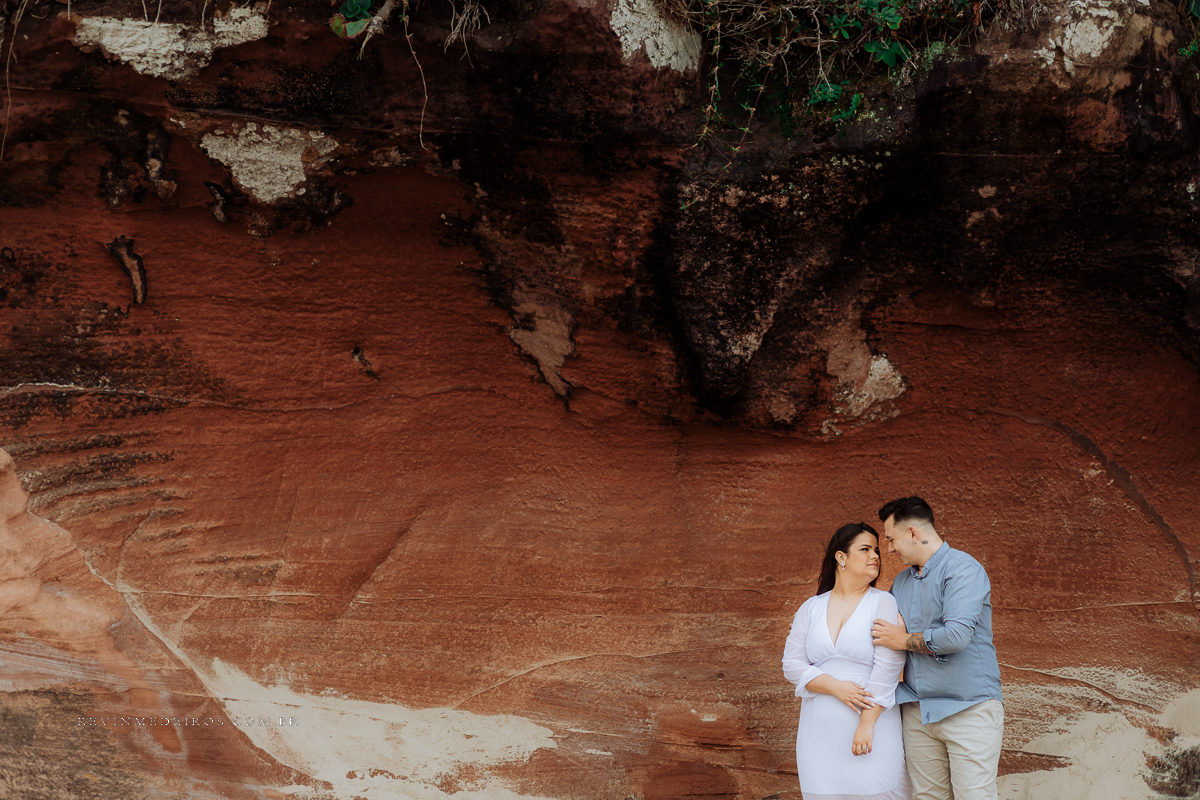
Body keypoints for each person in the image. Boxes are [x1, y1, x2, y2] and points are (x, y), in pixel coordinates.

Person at [870, 496, 1004, 800]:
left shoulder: (963, 569)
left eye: (891, 539)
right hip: (917, 711)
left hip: (969, 709)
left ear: (913, 532)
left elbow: (956, 637)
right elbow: (875, 627)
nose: (889, 549)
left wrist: (902, 640)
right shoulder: (901, 582)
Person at [782, 523, 912, 800]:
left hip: (871, 723)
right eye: (865, 549)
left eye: (876, 550)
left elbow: (888, 667)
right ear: (841, 557)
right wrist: (836, 687)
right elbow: (791, 664)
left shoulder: (883, 602)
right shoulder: (811, 607)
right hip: (818, 731)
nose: (875, 555)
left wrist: (866, 724)